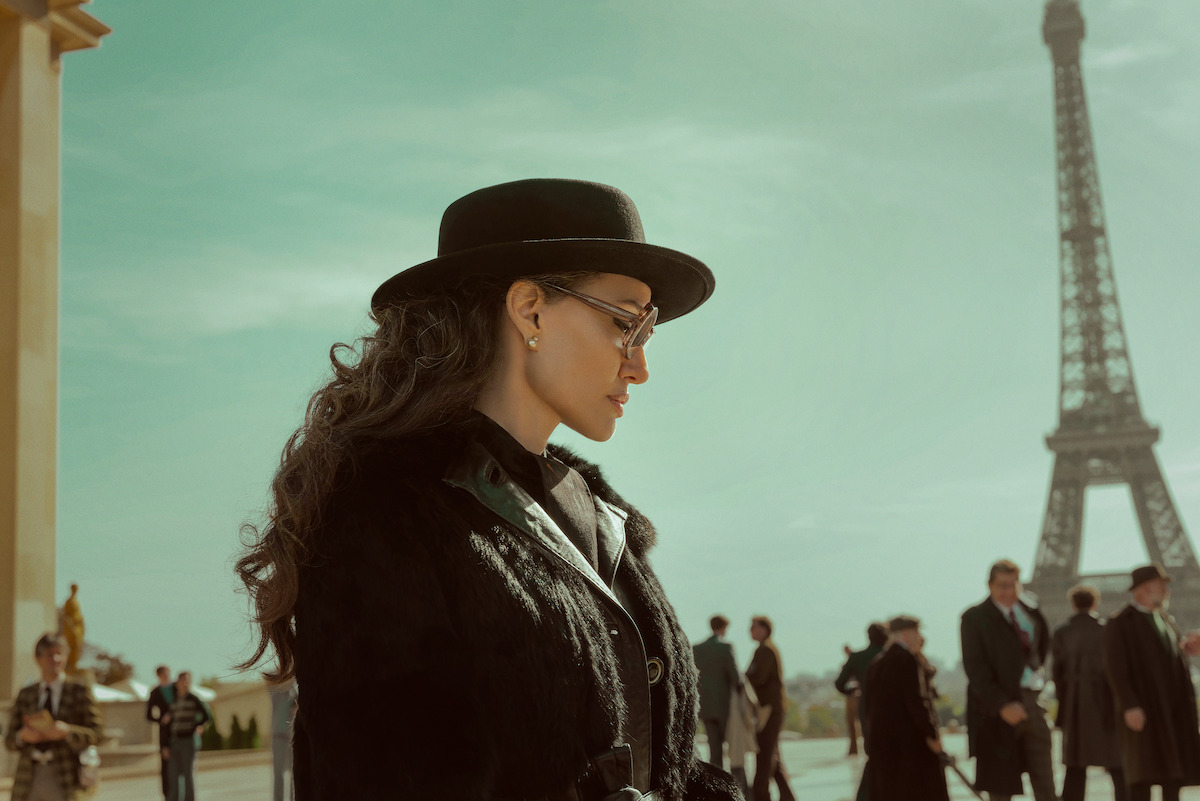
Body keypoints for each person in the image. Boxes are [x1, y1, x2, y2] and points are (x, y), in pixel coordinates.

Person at [234, 178, 740, 801]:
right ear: (529, 309)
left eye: (647, 334)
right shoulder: (386, 512)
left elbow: (668, 759)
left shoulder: (601, 517)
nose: (639, 365)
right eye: (625, 324)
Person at [1104, 563, 1200, 801]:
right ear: (1144, 589)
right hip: (1144, 709)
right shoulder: (1120, 622)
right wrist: (1129, 705)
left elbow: (1162, 656)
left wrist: (1183, 648)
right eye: (1161, 586)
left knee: (1173, 775)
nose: (1167, 592)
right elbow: (1116, 668)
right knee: (1142, 776)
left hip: (1172, 710)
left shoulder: (1165, 619)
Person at [960, 559, 1054, 801]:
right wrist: (1001, 704)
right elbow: (975, 667)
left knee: (1045, 781)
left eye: (1013, 585)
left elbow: (1041, 648)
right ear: (990, 585)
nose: (1009, 591)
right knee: (1000, 788)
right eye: (1002, 585)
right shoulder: (974, 618)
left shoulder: (1032, 613)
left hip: (1032, 700)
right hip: (996, 710)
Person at [3, 632, 103, 801]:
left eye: (60, 654)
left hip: (66, 777)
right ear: (38, 658)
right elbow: (9, 739)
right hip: (29, 778)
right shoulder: (26, 694)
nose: (56, 659)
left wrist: (68, 731)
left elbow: (97, 733)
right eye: (50, 654)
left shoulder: (79, 691)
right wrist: (22, 736)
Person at [1050, 585, 1125, 801]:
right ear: (1095, 603)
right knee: (1116, 762)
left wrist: (1063, 702)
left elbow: (1057, 672)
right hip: (1106, 701)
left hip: (1075, 701)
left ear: (1073, 604)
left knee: (1075, 766)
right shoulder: (1107, 629)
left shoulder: (1062, 632)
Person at [863, 616, 947, 801]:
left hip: (884, 749)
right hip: (910, 749)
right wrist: (932, 734)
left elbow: (867, 708)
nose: (920, 637)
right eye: (917, 632)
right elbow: (917, 701)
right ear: (907, 633)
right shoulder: (907, 659)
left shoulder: (877, 663)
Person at [745, 615, 795, 801]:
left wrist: (743, 678)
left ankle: (760, 795)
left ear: (763, 630)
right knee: (771, 753)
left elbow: (758, 678)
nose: (750, 631)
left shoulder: (765, 650)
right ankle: (787, 796)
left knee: (764, 753)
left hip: (768, 709)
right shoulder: (766, 649)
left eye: (753, 627)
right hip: (774, 708)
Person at [693, 614, 740, 769]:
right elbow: (736, 678)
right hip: (724, 706)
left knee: (714, 747)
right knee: (733, 746)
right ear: (724, 628)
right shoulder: (725, 647)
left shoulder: (697, 649)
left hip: (706, 706)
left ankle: (718, 780)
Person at [834, 621, 888, 756]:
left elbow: (839, 684)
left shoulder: (856, 658)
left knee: (872, 753)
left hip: (867, 707)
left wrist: (851, 691)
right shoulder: (894, 656)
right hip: (891, 707)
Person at [163, 671, 211, 801]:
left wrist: (196, 725)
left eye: (188, 680)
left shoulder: (194, 699)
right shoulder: (174, 702)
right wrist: (166, 745)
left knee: (188, 775)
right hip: (175, 742)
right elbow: (168, 725)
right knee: (173, 775)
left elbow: (207, 716)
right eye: (183, 680)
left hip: (188, 741)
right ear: (177, 682)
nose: (185, 683)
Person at [145, 664, 176, 799]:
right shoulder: (155, 692)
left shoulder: (177, 688)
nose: (166, 676)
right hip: (165, 734)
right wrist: (161, 720)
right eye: (163, 674)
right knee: (166, 765)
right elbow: (148, 715)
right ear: (158, 676)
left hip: (181, 731)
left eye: (167, 673)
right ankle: (167, 795)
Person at [269, 679, 298, 801]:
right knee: (278, 773)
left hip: (292, 737)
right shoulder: (276, 692)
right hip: (277, 737)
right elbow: (269, 685)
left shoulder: (295, 693)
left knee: (294, 773)